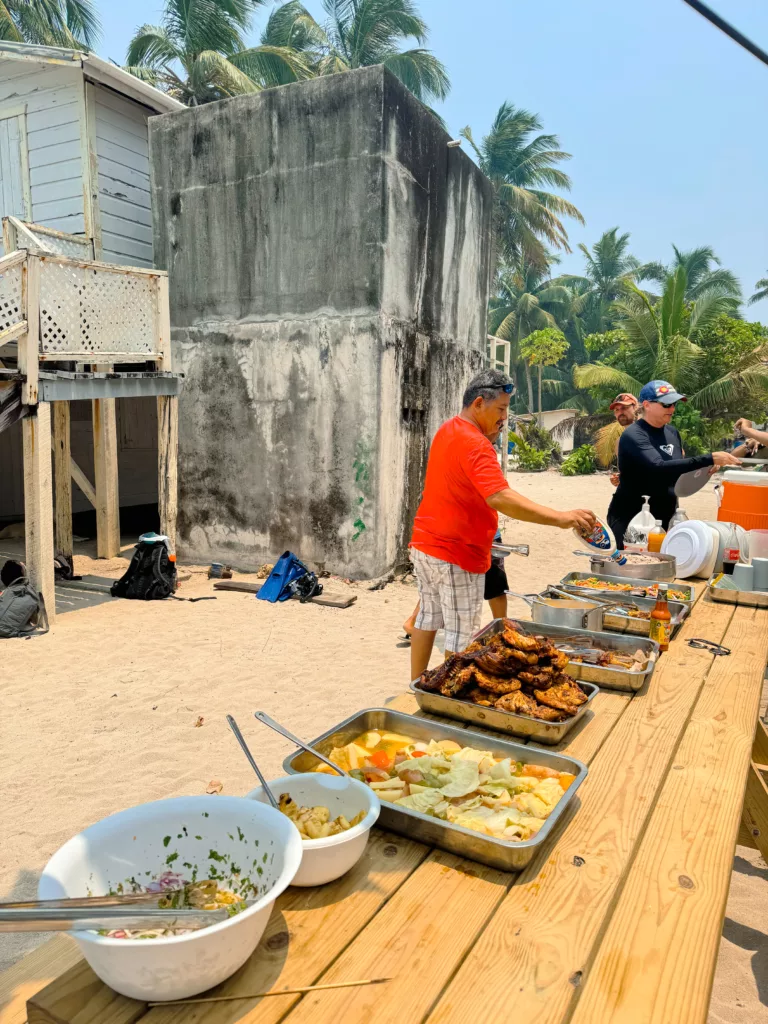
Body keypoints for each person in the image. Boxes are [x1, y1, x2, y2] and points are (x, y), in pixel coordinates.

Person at [409, 369, 596, 679]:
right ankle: (447, 701)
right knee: (462, 636)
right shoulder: (475, 443)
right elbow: (500, 497)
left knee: (428, 618)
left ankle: (416, 684)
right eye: (501, 410)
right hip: (457, 554)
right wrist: (561, 518)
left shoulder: (448, 429)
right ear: (479, 403)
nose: (504, 418)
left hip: (426, 546)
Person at [607, 380, 741, 548]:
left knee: (663, 567)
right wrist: (707, 459)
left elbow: (676, 469)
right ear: (647, 405)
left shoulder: (672, 432)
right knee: (636, 565)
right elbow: (658, 467)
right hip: (634, 517)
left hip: (666, 516)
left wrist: (702, 469)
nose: (672, 409)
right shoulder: (634, 435)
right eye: (666, 404)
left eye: (674, 404)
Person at [402, 528, 508, 639]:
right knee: (497, 588)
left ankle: (413, 621)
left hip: (453, 537)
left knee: (441, 585)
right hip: (480, 537)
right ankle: (502, 631)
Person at [608, 393, 639, 486]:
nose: (620, 412)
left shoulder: (652, 433)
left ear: (636, 408)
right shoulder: (620, 442)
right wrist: (619, 478)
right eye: (617, 409)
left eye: (624, 408)